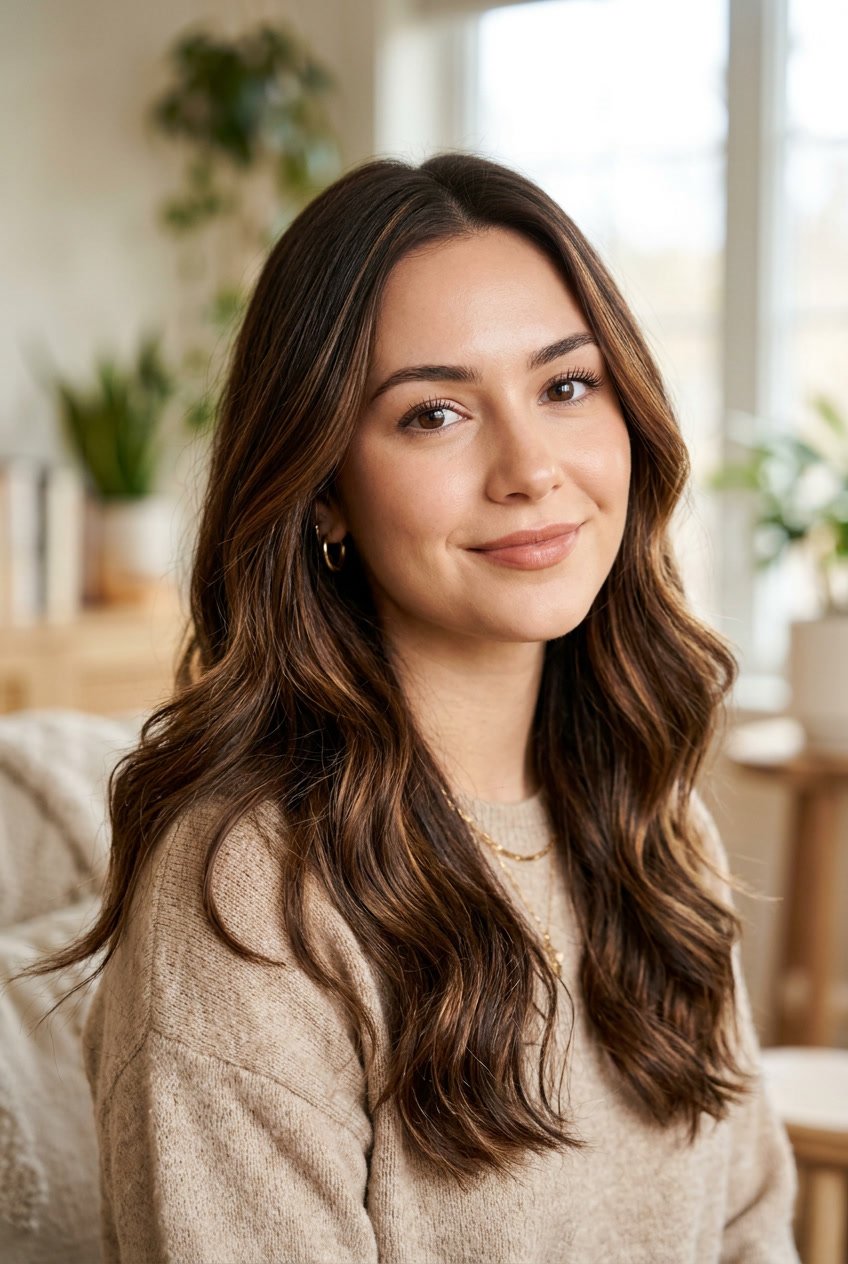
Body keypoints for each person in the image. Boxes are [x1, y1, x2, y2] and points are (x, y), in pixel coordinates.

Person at [39, 152, 799, 1261]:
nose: (530, 467)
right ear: (322, 493)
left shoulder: (652, 821)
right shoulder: (250, 899)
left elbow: (748, 1230)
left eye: (565, 386)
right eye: (434, 413)